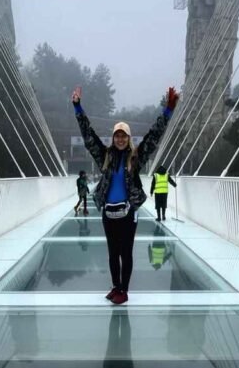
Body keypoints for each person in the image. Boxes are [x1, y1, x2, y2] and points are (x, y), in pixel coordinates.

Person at [72, 84, 180, 305]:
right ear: (113, 138)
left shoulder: (135, 158)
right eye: (117, 136)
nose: (120, 139)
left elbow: (154, 136)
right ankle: (115, 286)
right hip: (108, 213)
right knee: (112, 253)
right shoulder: (105, 156)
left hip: (128, 213)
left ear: (128, 138)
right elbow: (88, 135)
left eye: (124, 136)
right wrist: (77, 107)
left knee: (125, 253)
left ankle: (124, 289)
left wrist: (168, 110)